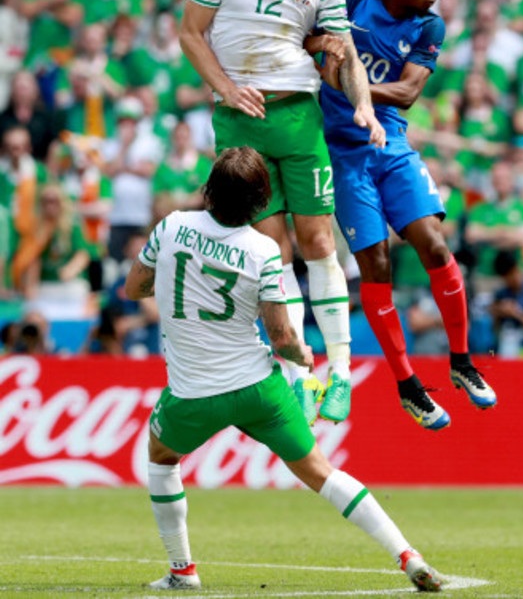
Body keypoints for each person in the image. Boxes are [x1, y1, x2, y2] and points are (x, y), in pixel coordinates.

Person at [124, 146, 442, 593]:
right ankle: (408, 555)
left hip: (193, 391)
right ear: (260, 201)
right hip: (258, 387)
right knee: (321, 471)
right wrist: (305, 359)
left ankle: (182, 571)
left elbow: (132, 287)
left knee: (161, 459)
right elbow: (282, 339)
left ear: (210, 190)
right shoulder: (264, 250)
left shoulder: (172, 225)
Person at [179, 0, 385, 426]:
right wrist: (224, 87)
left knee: (320, 241)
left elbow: (342, 52)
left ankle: (339, 373)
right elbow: (191, 33)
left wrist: (363, 105)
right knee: (272, 252)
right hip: (239, 120)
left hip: (298, 115)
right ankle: (299, 374)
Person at [318, 0, 496, 432]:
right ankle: (407, 385)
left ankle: (460, 362)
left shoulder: (428, 24)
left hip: (390, 145)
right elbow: (311, 38)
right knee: (375, 264)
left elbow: (408, 91)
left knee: (435, 247)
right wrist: (322, 56)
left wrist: (351, 84)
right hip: (342, 154)